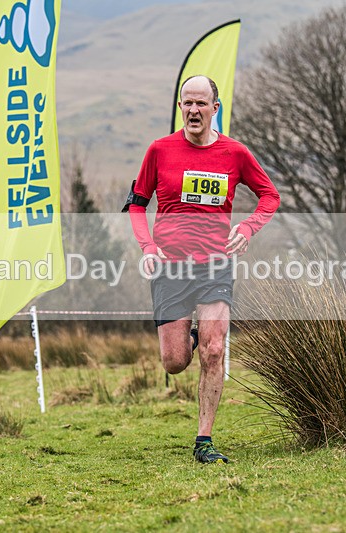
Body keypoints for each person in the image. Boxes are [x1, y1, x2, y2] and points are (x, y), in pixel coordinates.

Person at [126, 75, 280, 463]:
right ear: (180, 107)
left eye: (201, 103)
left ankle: (204, 442)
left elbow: (269, 196)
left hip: (215, 264)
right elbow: (137, 203)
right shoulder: (160, 151)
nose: (193, 110)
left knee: (215, 350)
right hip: (170, 267)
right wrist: (148, 246)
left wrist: (246, 228)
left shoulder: (235, 153)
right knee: (175, 362)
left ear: (215, 107)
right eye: (187, 103)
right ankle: (188, 338)